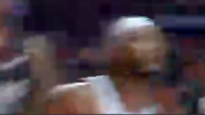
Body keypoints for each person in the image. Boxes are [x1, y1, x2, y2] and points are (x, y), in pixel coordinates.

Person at [46, 17, 179, 114]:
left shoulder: (167, 103)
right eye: (136, 39)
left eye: (157, 41)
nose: (152, 48)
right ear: (113, 49)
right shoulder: (75, 96)